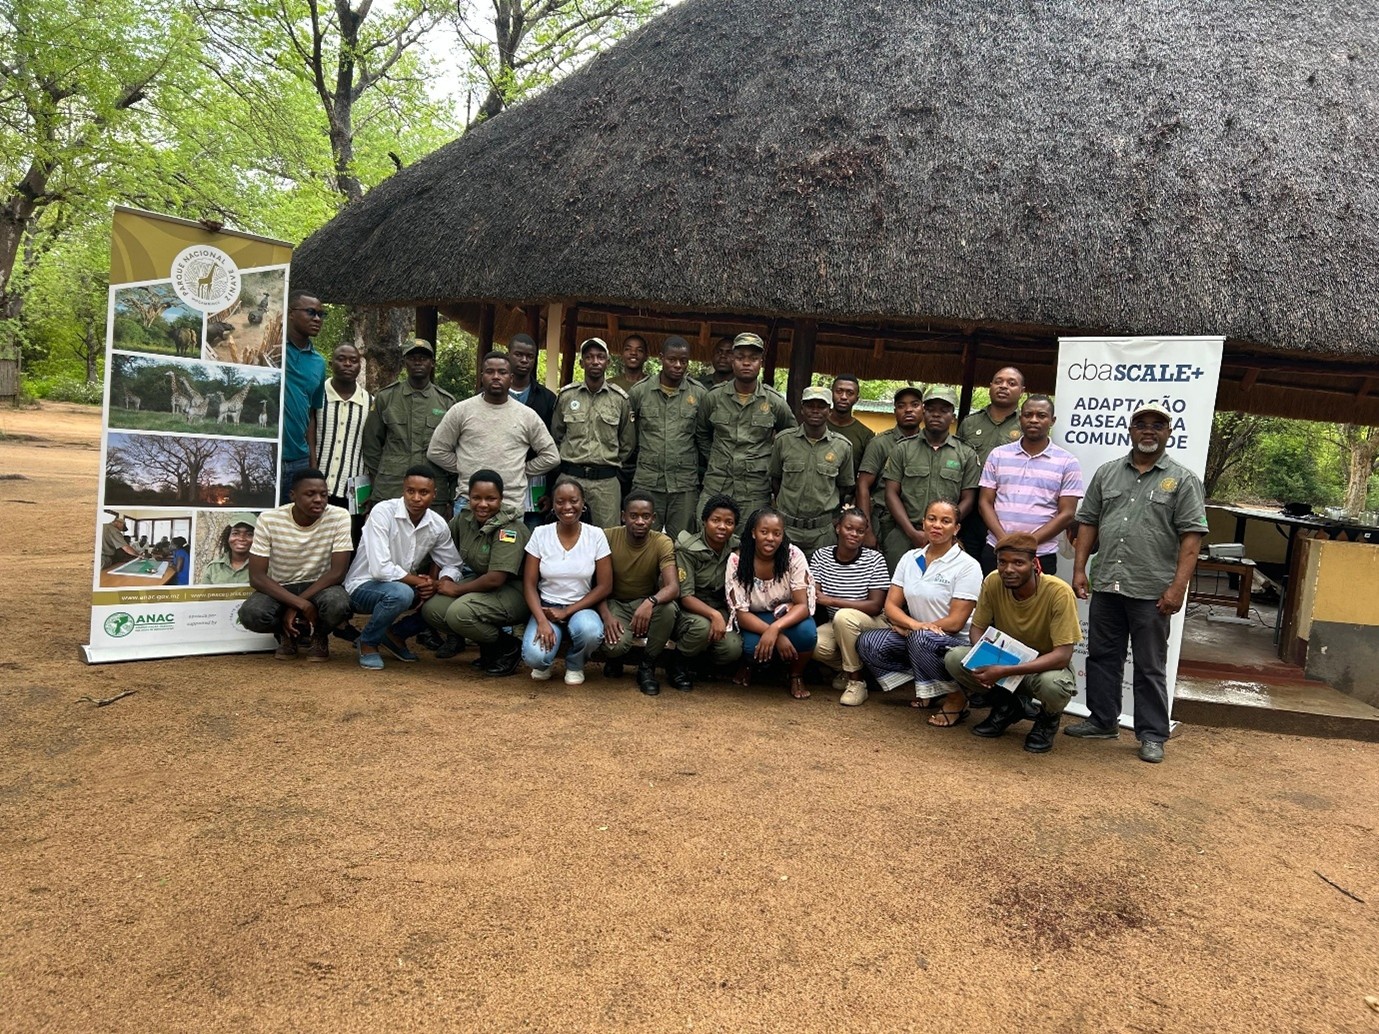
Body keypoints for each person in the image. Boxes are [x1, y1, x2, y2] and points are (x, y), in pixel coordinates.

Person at [1066, 401, 1209, 763]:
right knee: (1102, 657)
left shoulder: (1184, 480)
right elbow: (1088, 524)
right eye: (1141, 424)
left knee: (1148, 665)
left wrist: (1178, 588)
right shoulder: (1107, 473)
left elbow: (1191, 539)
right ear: (1130, 430)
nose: (1149, 430)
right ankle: (1102, 721)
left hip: (1152, 590)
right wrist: (1080, 569)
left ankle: (1152, 735)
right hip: (1107, 583)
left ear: (1168, 432)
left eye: (1157, 425)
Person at [942, 532, 1082, 753]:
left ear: (1035, 564)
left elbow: (1062, 656)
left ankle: (1048, 720)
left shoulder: (1059, 592)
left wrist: (1004, 670)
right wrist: (985, 659)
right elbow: (977, 628)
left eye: (1018, 563)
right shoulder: (993, 580)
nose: (1008, 569)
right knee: (955, 658)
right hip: (1004, 658)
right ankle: (1007, 706)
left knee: (1054, 686)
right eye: (1002, 562)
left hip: (1043, 667)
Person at [856, 500, 983, 717]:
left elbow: (955, 623)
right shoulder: (910, 558)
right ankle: (930, 686)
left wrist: (914, 629)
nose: (937, 525)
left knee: (921, 639)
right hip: (917, 634)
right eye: (932, 519)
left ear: (956, 528)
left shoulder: (967, 566)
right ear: (923, 523)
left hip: (955, 643)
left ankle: (956, 697)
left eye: (945, 521)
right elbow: (891, 606)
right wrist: (914, 626)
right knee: (868, 643)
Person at [343, 465, 463, 669]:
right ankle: (368, 642)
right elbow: (380, 569)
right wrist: (421, 582)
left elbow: (452, 563)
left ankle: (395, 635)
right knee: (401, 593)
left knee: (448, 596)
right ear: (403, 490)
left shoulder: (437, 523)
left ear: (434, 495)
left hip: (404, 587)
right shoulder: (383, 512)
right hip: (362, 586)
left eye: (423, 492)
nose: (416, 498)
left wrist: (440, 583)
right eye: (411, 491)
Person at [421, 469, 531, 675]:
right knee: (433, 609)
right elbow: (440, 548)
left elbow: (496, 579)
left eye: (491, 498)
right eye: (476, 498)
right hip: (482, 584)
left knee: (459, 612)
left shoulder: (509, 529)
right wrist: (435, 580)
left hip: (515, 589)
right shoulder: (464, 520)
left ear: (501, 499)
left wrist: (455, 590)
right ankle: (489, 649)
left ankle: (508, 647)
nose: (483, 504)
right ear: (468, 498)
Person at [427, 351, 560, 517]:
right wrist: (464, 466)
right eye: (490, 372)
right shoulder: (461, 411)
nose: (496, 377)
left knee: (507, 544)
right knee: (465, 545)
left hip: (510, 503)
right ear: (482, 376)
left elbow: (551, 456)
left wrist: (521, 469)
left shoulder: (527, 415)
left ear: (511, 378)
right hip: (468, 502)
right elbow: (436, 451)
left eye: (502, 372)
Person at [242, 468, 353, 660]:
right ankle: (288, 633)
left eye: (323, 494)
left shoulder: (339, 516)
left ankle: (319, 635)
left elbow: (337, 572)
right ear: (293, 495)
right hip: (281, 587)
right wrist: (300, 603)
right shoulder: (269, 519)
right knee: (251, 614)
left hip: (321, 587)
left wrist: (296, 606)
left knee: (339, 604)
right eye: (310, 494)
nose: (319, 499)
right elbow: (257, 577)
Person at [976, 394, 1084, 575]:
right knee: (993, 603)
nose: (1034, 420)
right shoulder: (998, 455)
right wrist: (1005, 542)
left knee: (1036, 604)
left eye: (1041, 415)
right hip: (996, 550)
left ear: (1052, 420)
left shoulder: (1068, 462)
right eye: (1028, 415)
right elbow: (984, 503)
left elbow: (1067, 514)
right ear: (1020, 419)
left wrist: (1027, 544)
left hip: (1040, 554)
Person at [521, 478, 613, 684]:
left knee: (590, 632)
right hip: (546, 607)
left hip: (582, 607)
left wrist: (567, 611)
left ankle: (575, 663)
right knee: (535, 657)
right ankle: (545, 662)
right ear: (553, 505)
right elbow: (528, 584)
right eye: (560, 501)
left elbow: (605, 585)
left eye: (573, 501)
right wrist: (542, 621)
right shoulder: (540, 534)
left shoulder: (596, 535)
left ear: (583, 503)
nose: (567, 507)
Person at [695, 332, 795, 520]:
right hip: (717, 484)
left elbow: (790, 438)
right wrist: (716, 458)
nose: (746, 363)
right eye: (740, 358)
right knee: (705, 537)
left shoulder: (774, 402)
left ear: (761, 363)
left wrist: (770, 464)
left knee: (749, 542)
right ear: (732, 360)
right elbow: (702, 433)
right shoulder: (714, 397)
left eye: (753, 358)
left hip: (754, 490)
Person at [881, 386, 981, 570]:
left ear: (953, 416)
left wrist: (943, 529)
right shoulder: (902, 449)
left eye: (944, 411)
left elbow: (969, 498)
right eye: (931, 410)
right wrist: (913, 533)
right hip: (904, 533)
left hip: (947, 539)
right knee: (897, 591)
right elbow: (891, 494)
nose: (937, 415)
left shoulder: (965, 453)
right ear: (923, 412)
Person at [724, 507, 817, 699]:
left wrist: (776, 629)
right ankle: (749, 665)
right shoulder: (737, 561)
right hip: (753, 617)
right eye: (764, 532)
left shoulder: (793, 556)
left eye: (777, 533)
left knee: (807, 634)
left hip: (785, 616)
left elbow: (802, 605)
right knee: (751, 647)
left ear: (783, 536)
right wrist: (777, 636)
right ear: (753, 533)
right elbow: (741, 614)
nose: (770, 538)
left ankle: (796, 674)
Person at [598, 491, 680, 696]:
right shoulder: (607, 537)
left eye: (646, 516)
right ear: (623, 516)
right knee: (614, 647)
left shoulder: (662, 542)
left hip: (645, 603)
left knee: (669, 608)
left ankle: (647, 665)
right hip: (615, 602)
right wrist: (606, 615)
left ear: (653, 518)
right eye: (634, 516)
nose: (640, 521)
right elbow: (594, 584)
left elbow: (673, 587)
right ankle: (614, 659)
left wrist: (650, 602)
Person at [362, 338, 457, 512]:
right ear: (405, 362)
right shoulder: (386, 397)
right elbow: (371, 443)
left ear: (432, 363)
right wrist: (381, 474)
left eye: (424, 358)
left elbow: (453, 449)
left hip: (433, 488)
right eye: (413, 358)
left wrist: (450, 491)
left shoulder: (446, 402)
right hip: (391, 486)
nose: (418, 362)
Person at [551, 338, 635, 528]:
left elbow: (627, 442)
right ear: (581, 363)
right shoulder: (567, 396)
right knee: (564, 532)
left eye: (600, 357)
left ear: (608, 362)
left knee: (607, 537)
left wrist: (608, 462)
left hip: (605, 483)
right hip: (570, 476)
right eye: (589, 357)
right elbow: (556, 436)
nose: (595, 361)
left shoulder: (620, 399)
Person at [810, 507, 889, 703]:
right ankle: (850, 669)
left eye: (860, 531)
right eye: (849, 528)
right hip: (837, 623)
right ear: (838, 528)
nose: (854, 534)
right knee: (814, 644)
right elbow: (815, 595)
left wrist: (833, 601)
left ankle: (856, 682)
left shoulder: (874, 559)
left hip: (871, 622)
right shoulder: (821, 556)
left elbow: (875, 606)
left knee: (844, 616)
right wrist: (826, 600)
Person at [627, 335, 702, 539]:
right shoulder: (640, 392)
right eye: (672, 359)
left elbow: (704, 439)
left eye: (683, 361)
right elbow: (627, 438)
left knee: (684, 542)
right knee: (644, 541)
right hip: (648, 482)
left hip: (684, 485)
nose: (678, 365)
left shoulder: (699, 395)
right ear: (661, 358)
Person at [770, 385, 854, 557]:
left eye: (821, 406)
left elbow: (845, 487)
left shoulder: (842, 446)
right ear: (802, 409)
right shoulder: (783, 441)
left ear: (829, 411)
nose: (815, 410)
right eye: (810, 405)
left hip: (822, 533)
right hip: (787, 528)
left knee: (820, 581)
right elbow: (776, 480)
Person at [671, 494, 744, 690]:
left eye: (729, 522)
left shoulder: (737, 548)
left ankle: (700, 664)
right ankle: (678, 665)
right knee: (702, 628)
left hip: (719, 608)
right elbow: (685, 596)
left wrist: (719, 615)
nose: (722, 526)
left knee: (732, 649)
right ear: (704, 521)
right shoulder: (688, 549)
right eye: (716, 520)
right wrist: (714, 615)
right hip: (688, 610)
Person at [958, 366, 1026, 558]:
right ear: (990, 387)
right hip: (970, 507)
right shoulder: (970, 423)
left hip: (1006, 507)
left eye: (1011, 383)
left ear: (1022, 391)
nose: (1003, 386)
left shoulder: (1026, 424)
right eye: (998, 381)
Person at [854, 385, 923, 561]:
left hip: (916, 522)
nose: (908, 410)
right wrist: (867, 529)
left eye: (914, 405)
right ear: (895, 411)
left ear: (923, 409)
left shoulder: (928, 444)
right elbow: (863, 485)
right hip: (884, 522)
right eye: (901, 406)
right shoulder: (880, 443)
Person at [316, 343, 371, 538]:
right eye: (341, 359)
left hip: (353, 493)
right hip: (316, 486)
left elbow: (373, 447)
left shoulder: (370, 403)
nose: (347, 364)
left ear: (359, 366)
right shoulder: (316, 395)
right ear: (331, 363)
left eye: (353, 360)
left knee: (348, 545)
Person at [281, 291, 328, 502]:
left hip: (298, 460)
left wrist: (312, 464)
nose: (317, 319)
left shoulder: (318, 362)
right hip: (264, 453)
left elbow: (311, 414)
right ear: (291, 313)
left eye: (321, 314)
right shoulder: (274, 349)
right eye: (311, 312)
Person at [507, 333, 558, 524]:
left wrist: (551, 491)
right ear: (508, 355)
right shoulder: (488, 396)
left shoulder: (547, 399)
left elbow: (555, 446)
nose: (524, 360)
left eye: (530, 356)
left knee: (532, 543)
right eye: (518, 354)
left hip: (535, 485)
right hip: (498, 483)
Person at [826, 374, 875, 477]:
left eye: (850, 393)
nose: (844, 397)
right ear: (831, 394)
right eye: (839, 391)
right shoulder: (817, 426)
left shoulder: (866, 435)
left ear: (857, 399)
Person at [203, 513, 257, 584]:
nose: (241, 538)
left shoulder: (265, 568)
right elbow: (204, 594)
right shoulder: (213, 568)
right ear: (228, 537)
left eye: (249, 534)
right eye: (235, 533)